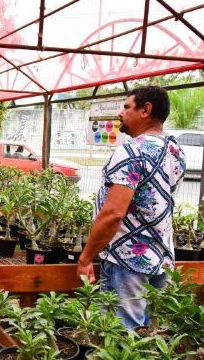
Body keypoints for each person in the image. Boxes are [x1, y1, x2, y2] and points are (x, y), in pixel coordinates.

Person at [77, 86, 186, 328]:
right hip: (162, 257)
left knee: (121, 334)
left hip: (127, 260)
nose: (120, 112)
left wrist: (85, 258)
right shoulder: (175, 150)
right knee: (151, 335)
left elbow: (114, 212)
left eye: (127, 107)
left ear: (146, 110)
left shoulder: (131, 150)